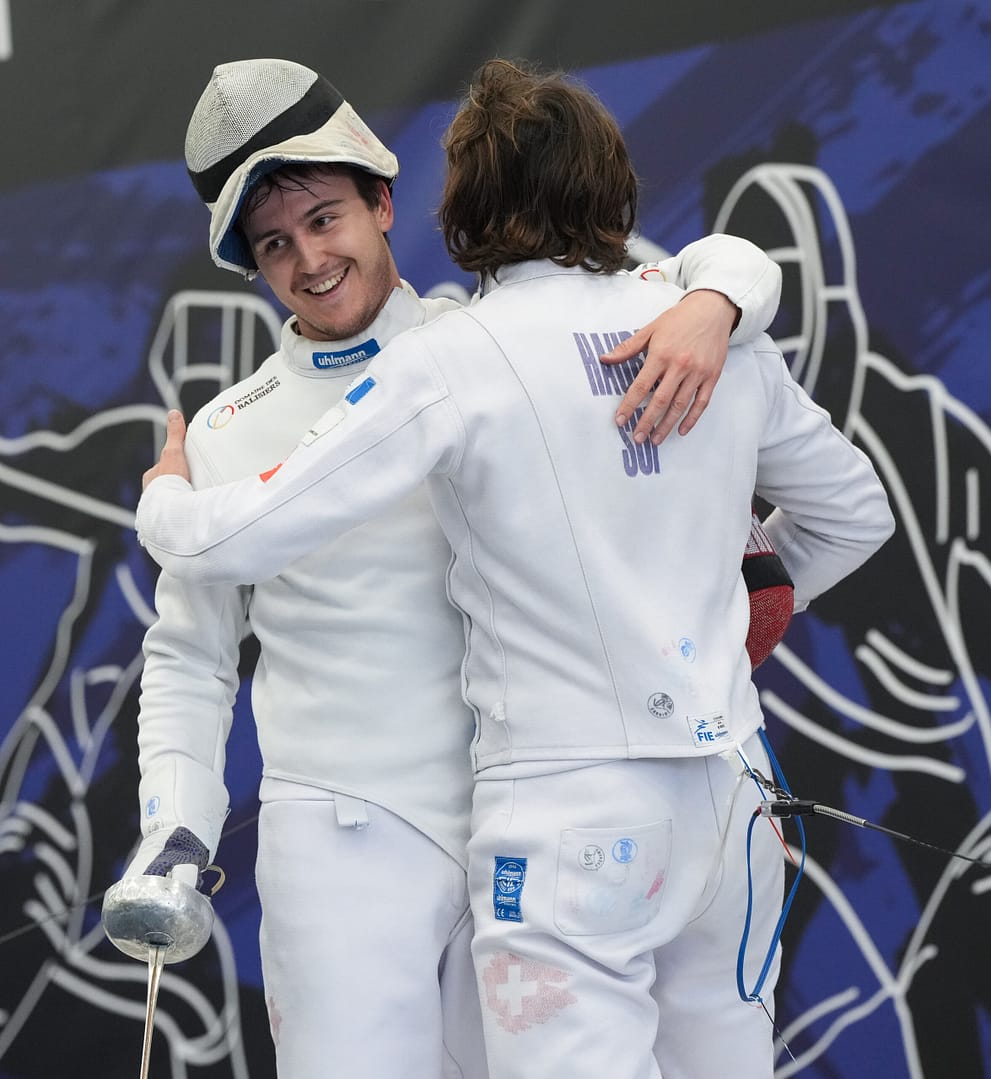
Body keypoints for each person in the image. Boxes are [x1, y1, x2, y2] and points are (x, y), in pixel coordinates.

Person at [114, 58, 789, 1079]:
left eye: (326, 219)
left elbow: (702, 269)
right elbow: (189, 659)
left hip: (528, 824)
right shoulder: (223, 431)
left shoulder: (491, 348)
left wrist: (722, 298)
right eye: (275, 244)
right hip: (340, 843)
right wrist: (175, 820)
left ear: (382, 203)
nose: (310, 259)